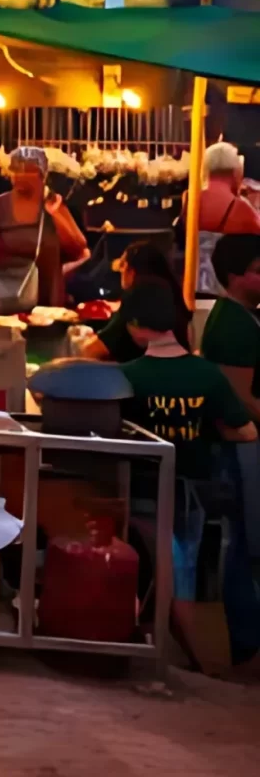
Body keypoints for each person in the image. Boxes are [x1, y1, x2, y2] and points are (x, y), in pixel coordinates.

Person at [117, 281, 258, 624]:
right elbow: (247, 432)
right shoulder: (206, 374)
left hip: (140, 488)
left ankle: (148, 627)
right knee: (185, 566)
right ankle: (184, 634)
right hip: (193, 488)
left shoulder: (127, 376)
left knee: (141, 559)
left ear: (134, 325)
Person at [0, 147, 87, 316]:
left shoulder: (54, 205)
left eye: (27, 170)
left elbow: (79, 247)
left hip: (46, 306)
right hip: (2, 304)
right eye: (16, 169)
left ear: (42, 175)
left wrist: (54, 214)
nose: (19, 175)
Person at [82, 239, 181, 363]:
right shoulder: (178, 302)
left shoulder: (135, 304)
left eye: (123, 265)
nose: (120, 270)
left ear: (132, 272)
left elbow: (90, 351)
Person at [196, 140, 260, 295]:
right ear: (235, 171)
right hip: (224, 286)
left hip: (194, 282)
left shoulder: (190, 200)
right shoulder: (240, 207)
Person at [204, 233, 260, 406]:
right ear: (233, 277)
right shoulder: (233, 326)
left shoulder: (244, 313)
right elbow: (242, 399)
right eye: (259, 271)